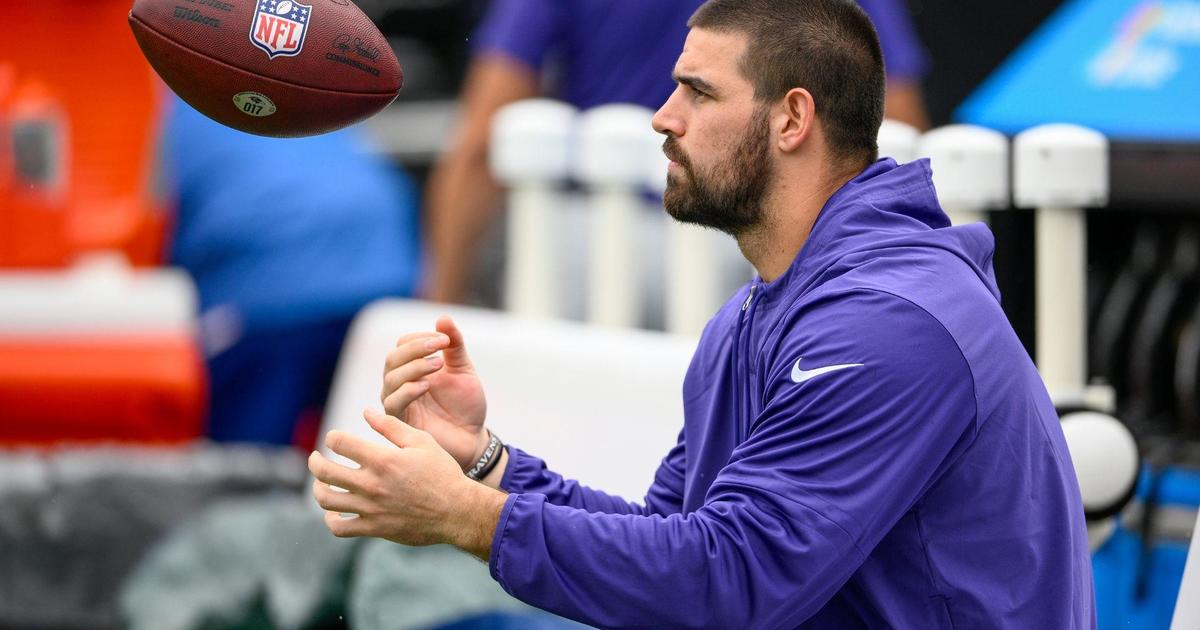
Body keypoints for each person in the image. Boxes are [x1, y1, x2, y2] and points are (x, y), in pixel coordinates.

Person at [308, 0, 1095, 626]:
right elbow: (670, 551)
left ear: (792, 119)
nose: (662, 115)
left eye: (698, 91)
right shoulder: (756, 315)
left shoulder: (891, 323)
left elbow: (729, 581)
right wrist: (486, 464)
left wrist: (467, 517)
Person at [423, 0, 930, 304]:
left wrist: (436, 306)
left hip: (585, 251)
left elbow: (481, 139)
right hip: (753, 252)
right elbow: (894, 125)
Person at [165, 96, 422, 446]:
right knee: (387, 459)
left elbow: (142, 229)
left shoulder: (154, 102)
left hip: (268, 292)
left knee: (244, 476)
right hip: (387, 274)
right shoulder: (296, 81)